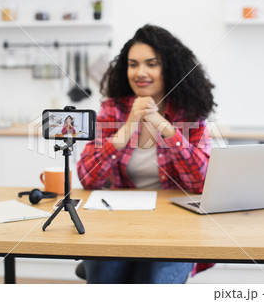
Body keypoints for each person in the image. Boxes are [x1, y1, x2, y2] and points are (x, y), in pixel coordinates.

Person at [77, 24, 216, 283]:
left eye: (151, 64)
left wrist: (163, 125)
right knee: (107, 276)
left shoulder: (190, 113)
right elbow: (87, 177)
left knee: (154, 281)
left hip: (175, 226)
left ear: (169, 68)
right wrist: (128, 126)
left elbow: (202, 182)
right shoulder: (113, 110)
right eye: (133, 64)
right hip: (118, 222)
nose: (140, 73)